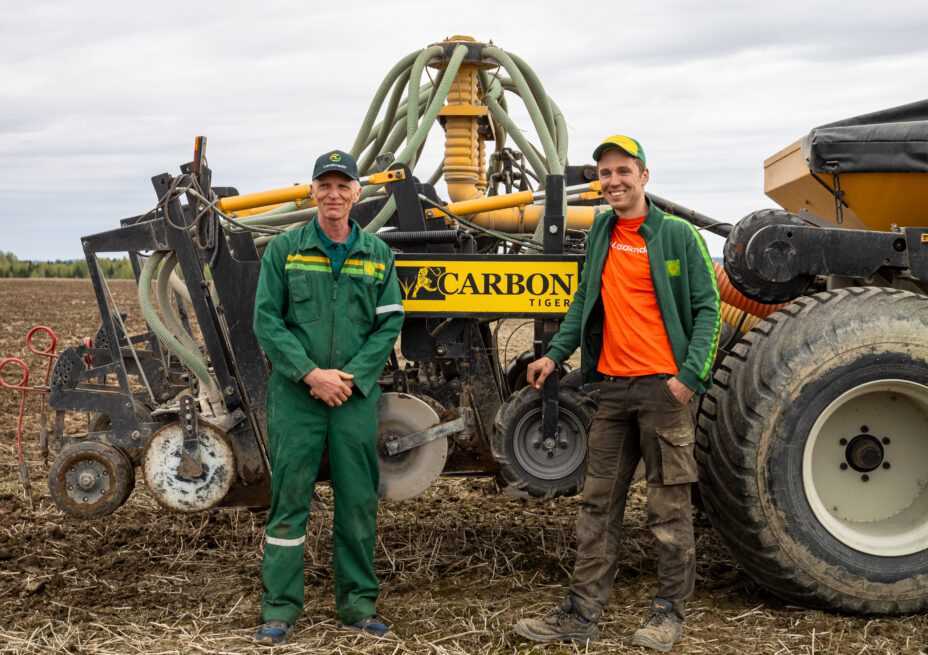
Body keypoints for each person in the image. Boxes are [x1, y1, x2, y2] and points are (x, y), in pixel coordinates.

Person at [513, 135, 720, 652]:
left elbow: (709, 310)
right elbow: (586, 298)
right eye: (605, 173)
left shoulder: (676, 237)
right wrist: (555, 355)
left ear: (644, 176)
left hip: (662, 393)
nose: (613, 181)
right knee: (597, 505)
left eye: (623, 171)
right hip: (612, 389)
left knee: (668, 508)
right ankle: (580, 615)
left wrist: (687, 379)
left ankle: (668, 613)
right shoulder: (603, 229)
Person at [251, 149, 404, 645]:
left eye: (343, 186)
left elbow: (389, 324)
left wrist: (353, 378)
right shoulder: (285, 250)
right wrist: (312, 374)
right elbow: (267, 322)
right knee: (289, 500)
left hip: (354, 398)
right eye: (326, 185)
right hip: (298, 396)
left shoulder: (377, 254)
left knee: (358, 502)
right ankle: (279, 608)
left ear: (358, 193)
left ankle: (357, 604)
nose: (334, 194)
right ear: (312, 191)